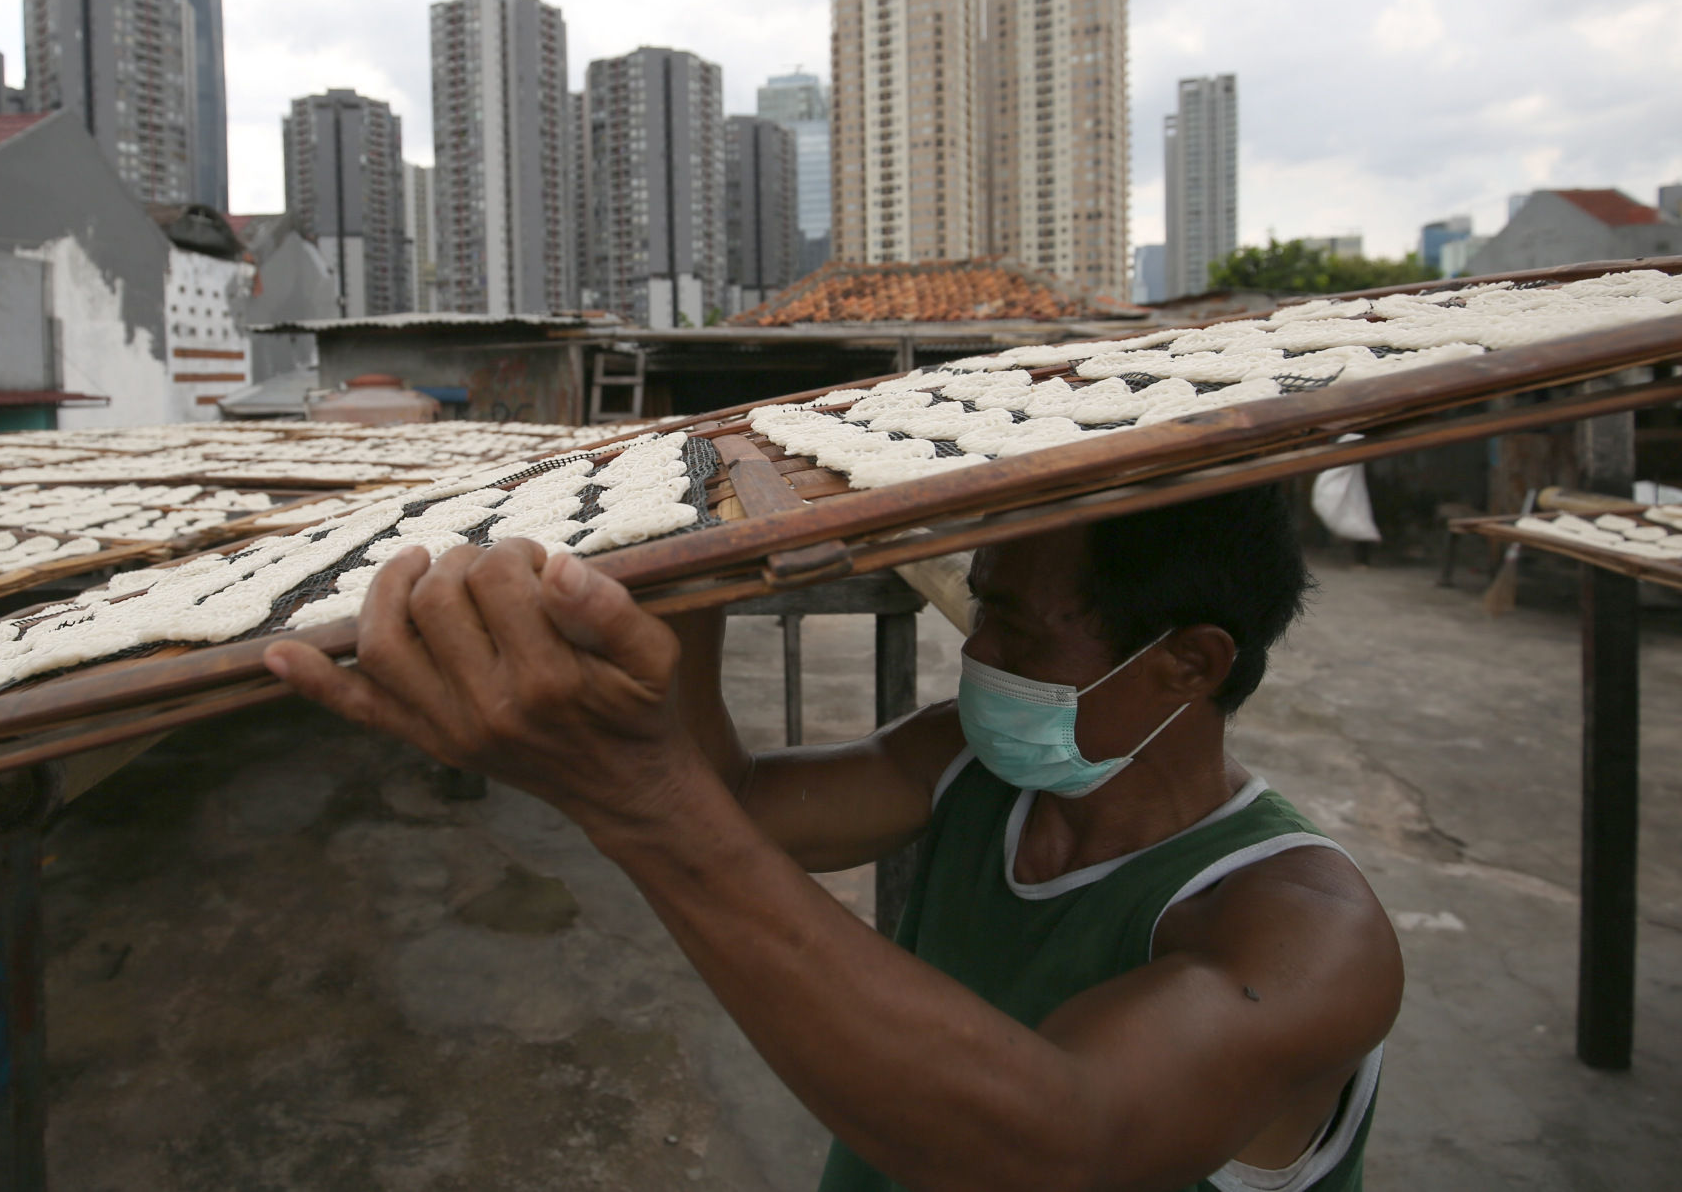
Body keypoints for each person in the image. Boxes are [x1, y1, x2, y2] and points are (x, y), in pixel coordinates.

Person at [263, 485, 1402, 1192]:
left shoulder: (1303, 933)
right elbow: (743, 805)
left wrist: (629, 798)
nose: (974, 653)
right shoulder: (972, 760)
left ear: (1187, 663)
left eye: (1009, 622)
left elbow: (1057, 1143)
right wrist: (689, 580)